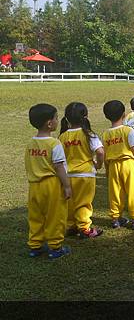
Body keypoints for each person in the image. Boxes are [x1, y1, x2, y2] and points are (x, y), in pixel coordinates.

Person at [26, 103, 72, 259]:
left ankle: (35, 245)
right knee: (55, 215)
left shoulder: (31, 143)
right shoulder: (54, 144)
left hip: (34, 186)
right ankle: (55, 247)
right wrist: (66, 186)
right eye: (56, 117)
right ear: (49, 123)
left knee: (36, 216)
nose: (58, 120)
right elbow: (59, 167)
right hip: (51, 185)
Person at [59, 102, 104, 238]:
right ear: (86, 116)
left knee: (70, 202)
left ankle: (70, 225)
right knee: (84, 202)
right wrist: (98, 165)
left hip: (68, 175)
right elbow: (100, 152)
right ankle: (84, 228)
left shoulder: (62, 136)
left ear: (66, 118)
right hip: (85, 174)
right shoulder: (88, 134)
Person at [102, 100, 134, 229]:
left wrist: (107, 169)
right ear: (123, 114)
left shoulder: (106, 134)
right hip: (129, 165)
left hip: (113, 166)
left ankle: (115, 218)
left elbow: (105, 154)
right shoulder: (128, 131)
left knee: (115, 192)